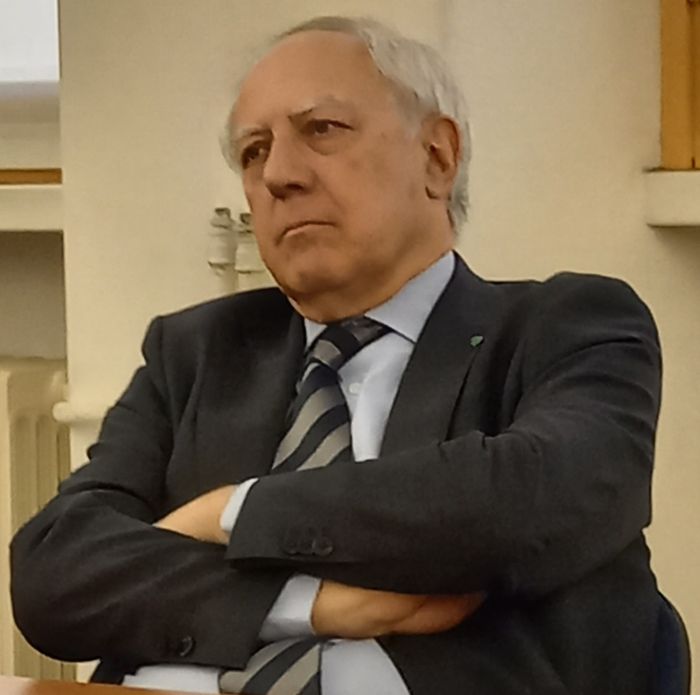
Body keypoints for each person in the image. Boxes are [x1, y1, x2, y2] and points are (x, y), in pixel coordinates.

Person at [11, 15, 663, 695]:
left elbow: (531, 499)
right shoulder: (196, 352)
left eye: (321, 129)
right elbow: (55, 570)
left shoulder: (565, 325)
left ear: (437, 157)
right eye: (254, 152)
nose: (278, 175)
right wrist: (310, 602)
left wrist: (232, 512)